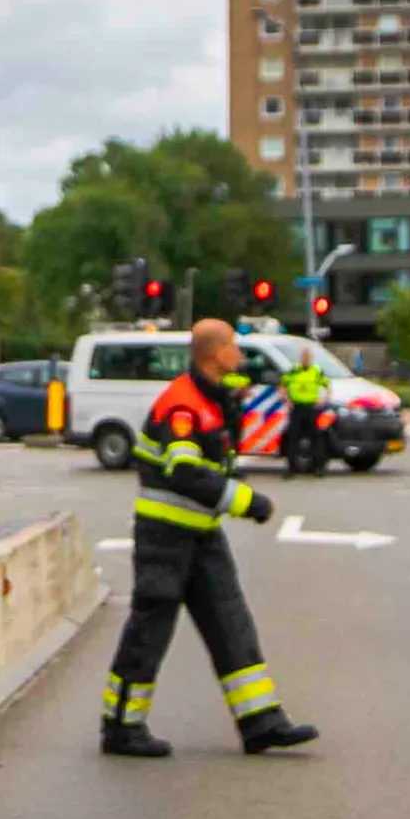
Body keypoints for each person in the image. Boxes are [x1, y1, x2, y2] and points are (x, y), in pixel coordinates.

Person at [104, 318, 323, 759]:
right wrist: (245, 500)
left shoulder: (210, 397)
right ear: (213, 353)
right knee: (150, 630)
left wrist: (230, 403)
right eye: (232, 347)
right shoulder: (181, 406)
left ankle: (261, 722)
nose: (239, 355)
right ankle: (122, 727)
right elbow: (183, 471)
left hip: (201, 534)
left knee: (231, 622)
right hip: (165, 537)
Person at [281, 343, 332, 476]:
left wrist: (324, 400)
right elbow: (282, 385)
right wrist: (287, 400)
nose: (305, 359)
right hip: (297, 407)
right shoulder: (293, 370)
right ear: (300, 358)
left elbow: (327, 386)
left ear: (311, 358)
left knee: (316, 438)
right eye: (304, 356)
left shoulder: (316, 371)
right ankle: (292, 468)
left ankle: (318, 467)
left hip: (311, 408)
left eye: (308, 356)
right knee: (293, 437)